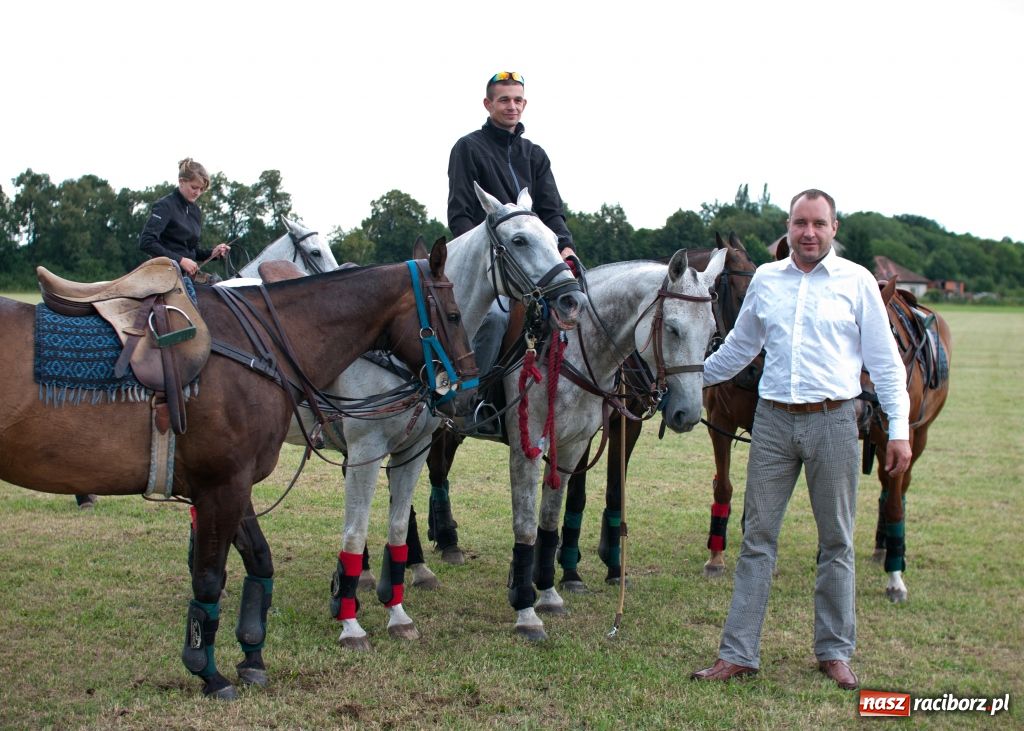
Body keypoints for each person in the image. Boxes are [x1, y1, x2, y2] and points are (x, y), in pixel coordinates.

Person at [690, 189, 912, 691]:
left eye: (818, 223)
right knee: (757, 540)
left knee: (836, 541)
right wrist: (690, 379)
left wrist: (897, 430)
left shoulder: (855, 282)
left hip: (835, 422)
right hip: (771, 423)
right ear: (787, 228)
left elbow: (885, 364)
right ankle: (738, 653)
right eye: (799, 223)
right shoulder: (767, 279)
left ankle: (834, 652)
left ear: (834, 229)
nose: (808, 232)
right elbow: (740, 349)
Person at [447, 71, 578, 395]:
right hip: (487, 264)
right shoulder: (468, 148)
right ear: (488, 103)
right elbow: (460, 213)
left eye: (517, 100)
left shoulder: (535, 155)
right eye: (504, 99)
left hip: (534, 258)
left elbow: (551, 212)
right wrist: (481, 254)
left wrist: (566, 247)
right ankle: (473, 397)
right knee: (493, 320)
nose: (511, 106)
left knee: (579, 305)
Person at [139, 158, 231, 279]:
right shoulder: (165, 205)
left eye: (201, 189)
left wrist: (212, 253)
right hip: (164, 275)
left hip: (187, 276)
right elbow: (146, 242)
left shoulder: (196, 211)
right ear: (181, 181)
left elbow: (191, 250)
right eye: (194, 187)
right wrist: (180, 260)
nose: (198, 193)